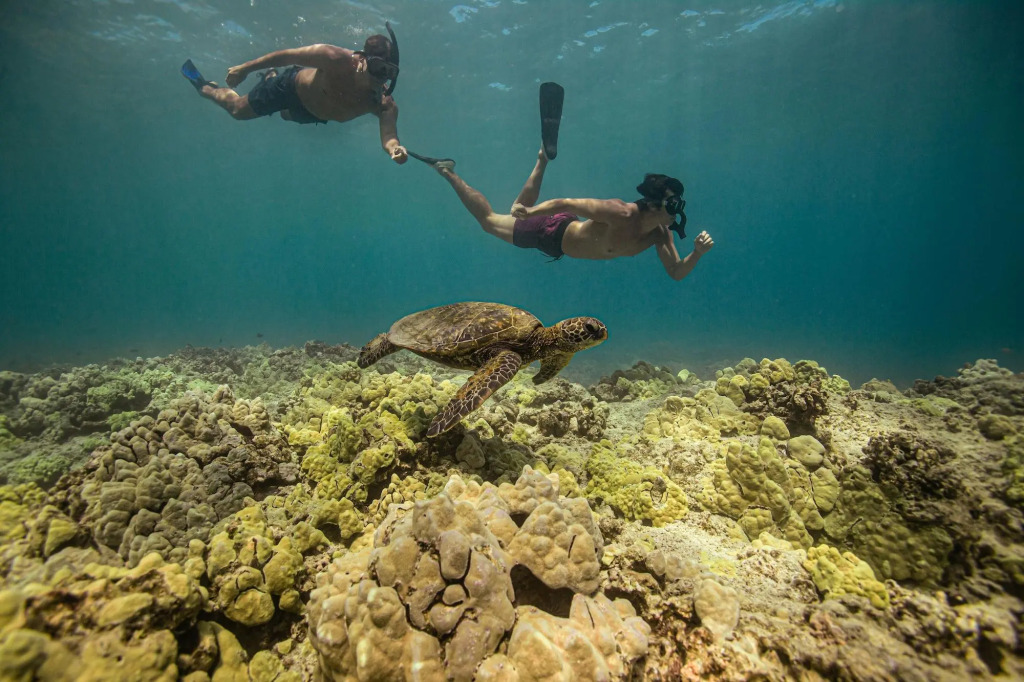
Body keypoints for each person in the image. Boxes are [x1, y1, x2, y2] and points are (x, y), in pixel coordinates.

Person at [422, 150, 714, 280]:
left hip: (561, 240)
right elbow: (567, 203)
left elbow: (676, 272)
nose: (679, 210)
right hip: (550, 231)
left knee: (517, 210)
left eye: (679, 203)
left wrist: (697, 253)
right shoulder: (620, 212)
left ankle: (540, 163)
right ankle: (447, 171)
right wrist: (533, 212)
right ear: (654, 204)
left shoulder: (659, 235)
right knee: (488, 221)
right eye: (673, 203)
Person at [180, 23, 407, 164]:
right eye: (379, 69)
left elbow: (389, 136)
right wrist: (244, 69)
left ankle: (268, 78)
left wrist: (394, 149)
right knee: (238, 110)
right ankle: (205, 87)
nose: (382, 78)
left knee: (284, 115)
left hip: (311, 114)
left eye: (389, 73)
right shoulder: (335, 58)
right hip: (289, 88)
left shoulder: (383, 102)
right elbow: (288, 55)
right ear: (363, 60)